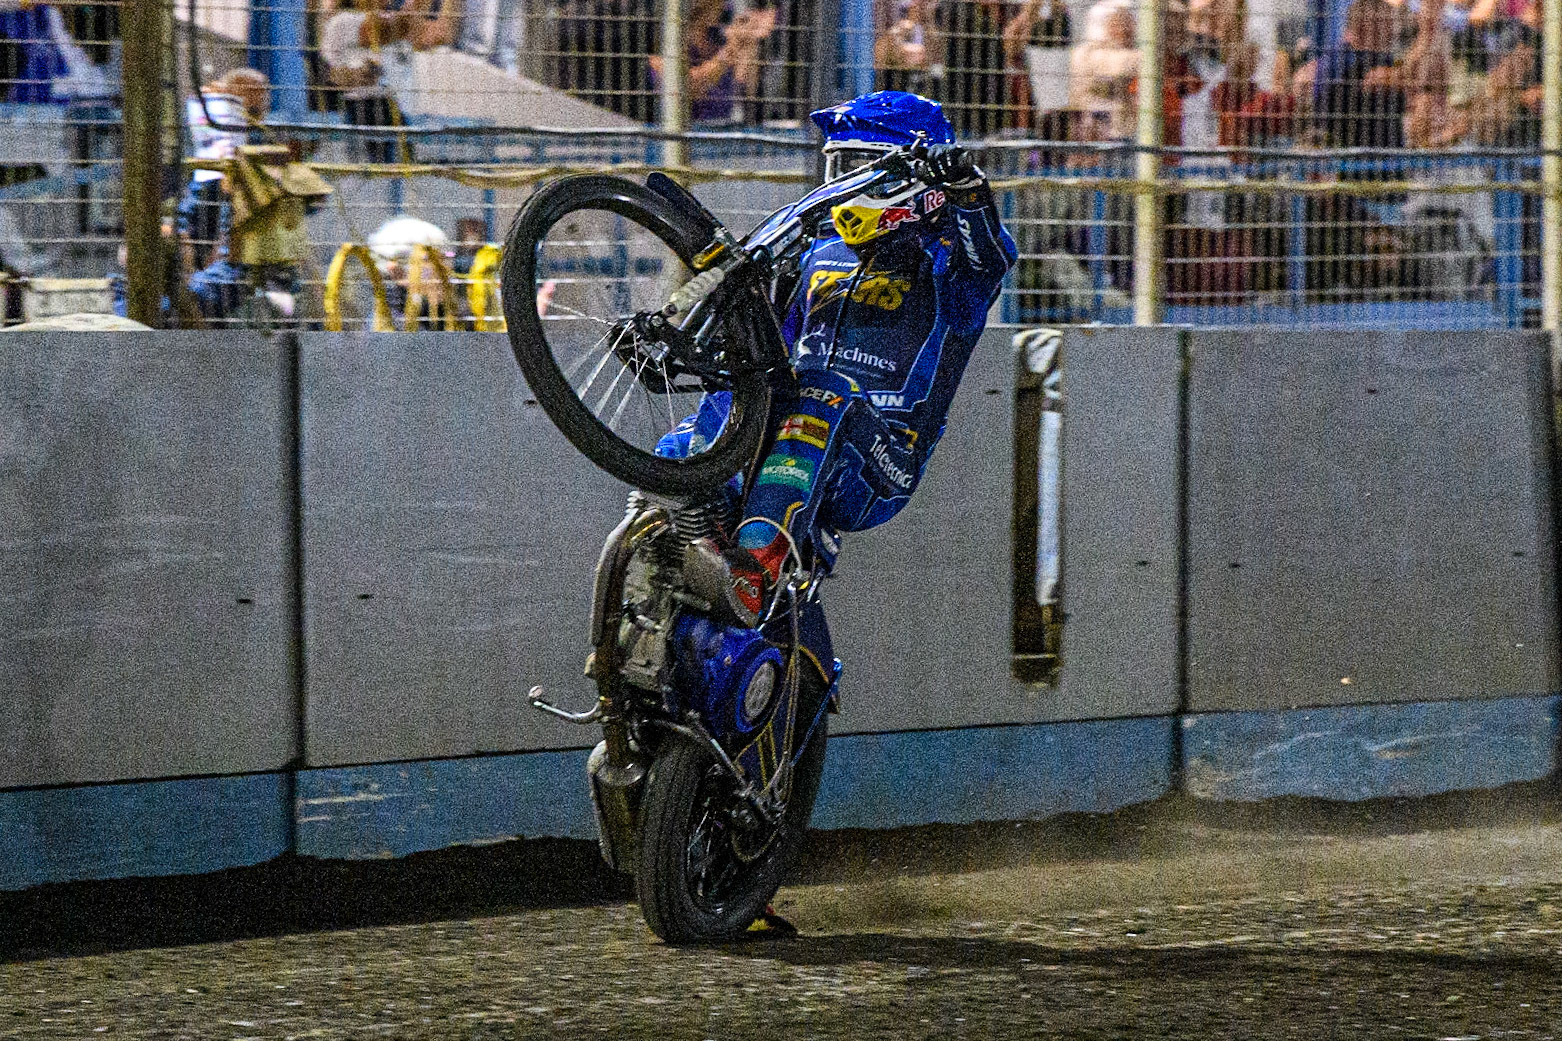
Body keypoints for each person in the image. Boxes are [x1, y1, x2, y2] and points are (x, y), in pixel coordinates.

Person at [655, 90, 1017, 625]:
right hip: (793, 431)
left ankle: (755, 571)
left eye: (860, 169)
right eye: (838, 167)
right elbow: (767, 350)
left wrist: (967, 189)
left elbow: (990, 257)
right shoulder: (817, 251)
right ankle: (650, 557)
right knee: (716, 414)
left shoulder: (953, 263)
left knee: (825, 390)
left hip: (880, 462)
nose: (844, 185)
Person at [320, 0, 460, 162]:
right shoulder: (343, 21)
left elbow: (440, 34)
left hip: (394, 115)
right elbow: (394, 28)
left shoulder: (392, 18)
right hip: (364, 111)